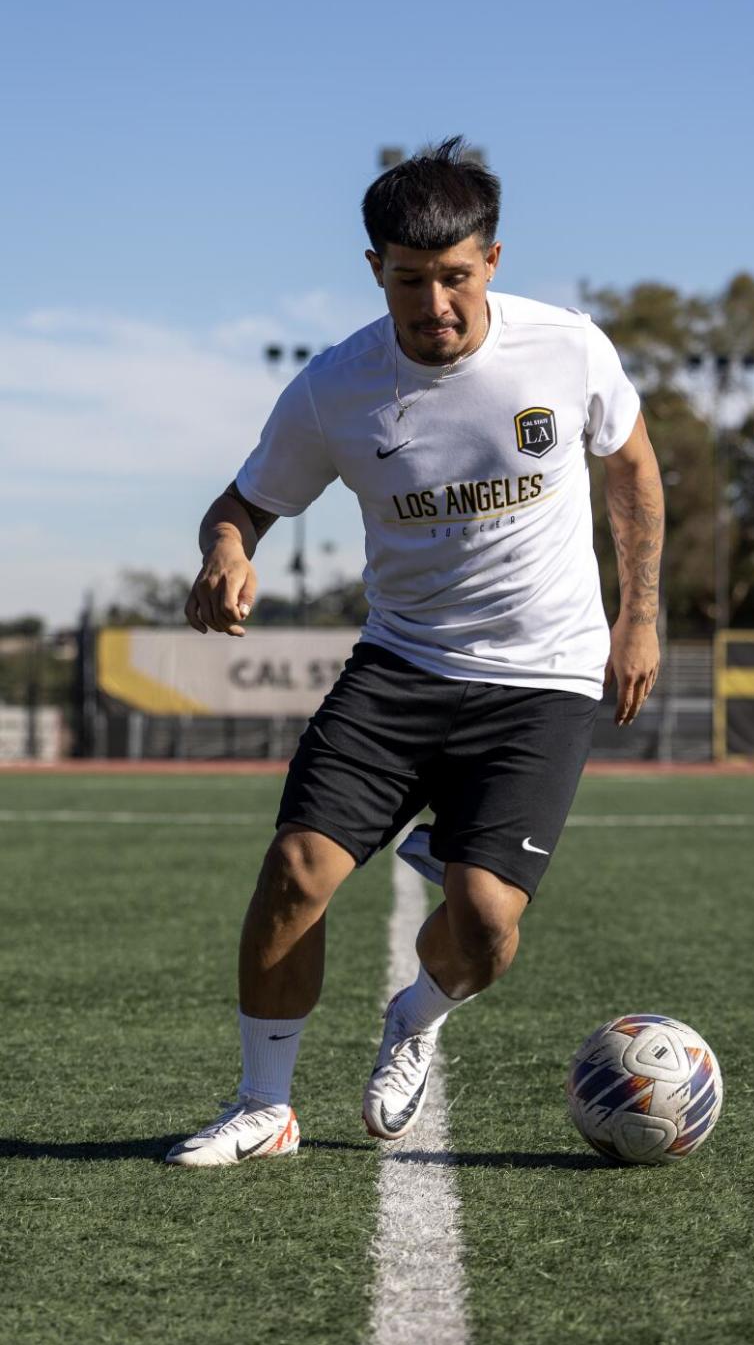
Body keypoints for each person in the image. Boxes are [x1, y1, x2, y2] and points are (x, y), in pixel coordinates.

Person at [166, 137, 663, 1167]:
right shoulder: (333, 387)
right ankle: (266, 1107)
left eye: (454, 278)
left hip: (541, 679)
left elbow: (632, 470)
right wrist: (224, 552)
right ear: (375, 271)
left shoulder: (568, 349)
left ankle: (418, 1016)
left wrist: (642, 613)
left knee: (483, 924)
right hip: (400, 667)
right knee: (296, 871)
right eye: (408, 281)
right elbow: (244, 502)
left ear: (491, 260)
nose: (434, 304)